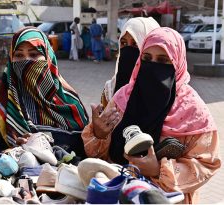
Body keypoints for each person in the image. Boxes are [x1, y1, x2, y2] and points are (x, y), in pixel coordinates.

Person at [82, 27, 221, 203]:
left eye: (163, 61)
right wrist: (99, 135)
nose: (153, 66)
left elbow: (206, 164)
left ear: (177, 64)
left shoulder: (193, 110)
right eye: (147, 59)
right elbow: (98, 157)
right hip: (118, 193)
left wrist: (158, 170)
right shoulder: (122, 97)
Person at [0, 27, 89, 160]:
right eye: (19, 55)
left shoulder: (71, 103)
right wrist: (9, 153)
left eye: (34, 54)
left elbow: (85, 151)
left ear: (48, 58)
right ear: (11, 59)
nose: (26, 61)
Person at [101, 17, 160, 107]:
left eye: (135, 43)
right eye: (123, 43)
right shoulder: (110, 89)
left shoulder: (163, 93)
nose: (128, 50)